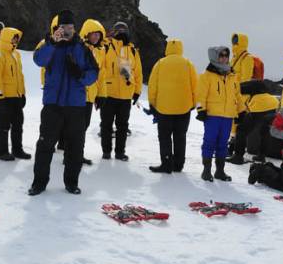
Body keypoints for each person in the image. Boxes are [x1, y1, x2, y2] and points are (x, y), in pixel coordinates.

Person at [28, 9, 98, 195]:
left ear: (75, 28)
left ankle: (71, 183)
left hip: (76, 106)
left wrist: (80, 75)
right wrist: (52, 43)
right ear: (57, 28)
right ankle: (39, 183)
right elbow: (38, 60)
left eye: (70, 27)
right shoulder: (48, 44)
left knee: (75, 147)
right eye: (64, 26)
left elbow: (94, 74)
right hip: (53, 105)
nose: (67, 30)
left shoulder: (82, 48)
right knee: (45, 145)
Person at [147, 39, 197, 173]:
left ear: (167, 48)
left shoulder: (160, 64)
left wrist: (152, 104)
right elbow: (195, 86)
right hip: (183, 108)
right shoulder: (188, 64)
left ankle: (167, 163)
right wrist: (193, 104)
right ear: (181, 48)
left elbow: (152, 86)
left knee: (164, 137)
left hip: (164, 109)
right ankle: (179, 165)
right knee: (180, 137)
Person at [196, 47, 244, 182]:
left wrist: (242, 111)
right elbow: (200, 95)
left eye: (226, 55)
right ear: (214, 57)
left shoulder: (232, 76)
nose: (224, 58)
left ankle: (220, 171)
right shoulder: (206, 76)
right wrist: (201, 110)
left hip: (228, 116)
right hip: (212, 115)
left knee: (223, 144)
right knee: (209, 142)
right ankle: (206, 170)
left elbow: (237, 95)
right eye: (221, 55)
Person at [100, 21, 142, 161]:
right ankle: (106, 152)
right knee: (106, 124)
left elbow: (138, 74)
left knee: (122, 126)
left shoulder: (133, 51)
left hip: (125, 95)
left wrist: (137, 91)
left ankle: (119, 153)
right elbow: (100, 69)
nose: (122, 33)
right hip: (108, 94)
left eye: (124, 30)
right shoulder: (106, 47)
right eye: (119, 30)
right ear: (114, 32)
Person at [0, 27, 30, 160]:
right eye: (14, 37)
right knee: (4, 125)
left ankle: (17, 150)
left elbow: (20, 76)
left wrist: (22, 93)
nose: (16, 40)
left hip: (16, 96)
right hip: (5, 97)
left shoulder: (16, 54)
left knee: (18, 123)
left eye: (17, 38)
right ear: (7, 37)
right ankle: (2, 152)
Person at [226, 80, 278, 164]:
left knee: (241, 130)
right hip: (273, 104)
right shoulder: (255, 83)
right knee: (264, 131)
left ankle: (238, 157)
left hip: (260, 104)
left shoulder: (238, 89)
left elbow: (241, 105)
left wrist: (239, 118)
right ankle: (261, 156)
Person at [79, 19, 107, 165]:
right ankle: (72, 155)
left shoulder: (100, 52)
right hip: (78, 95)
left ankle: (77, 153)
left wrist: (101, 94)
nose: (96, 37)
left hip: (90, 96)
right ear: (86, 34)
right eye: (93, 34)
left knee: (84, 125)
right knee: (76, 127)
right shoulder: (79, 48)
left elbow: (101, 75)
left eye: (98, 34)